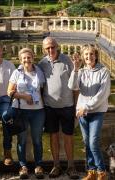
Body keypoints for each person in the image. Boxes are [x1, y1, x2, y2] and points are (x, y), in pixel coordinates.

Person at [38, 37, 79, 179]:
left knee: (69, 137)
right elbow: (39, 87)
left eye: (52, 47)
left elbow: (75, 86)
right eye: (47, 48)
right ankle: (56, 166)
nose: (50, 50)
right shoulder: (42, 64)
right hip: (50, 107)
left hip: (67, 106)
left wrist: (76, 105)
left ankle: (71, 166)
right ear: (44, 49)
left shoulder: (67, 61)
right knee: (53, 136)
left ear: (57, 47)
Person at [68, 44, 110, 180]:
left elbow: (103, 94)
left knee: (93, 142)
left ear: (96, 55)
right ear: (82, 56)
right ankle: (91, 172)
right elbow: (72, 86)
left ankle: (101, 171)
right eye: (86, 54)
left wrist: (86, 106)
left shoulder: (103, 71)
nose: (89, 57)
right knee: (87, 143)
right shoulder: (81, 71)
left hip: (96, 111)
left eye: (91, 54)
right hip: (82, 112)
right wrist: (75, 69)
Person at [7, 48, 45, 179]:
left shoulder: (39, 72)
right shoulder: (16, 72)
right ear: (20, 59)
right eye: (24, 58)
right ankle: (23, 166)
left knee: (37, 140)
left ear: (33, 57)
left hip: (38, 111)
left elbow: (44, 90)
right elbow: (10, 92)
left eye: (29, 57)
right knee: (21, 140)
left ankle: (38, 165)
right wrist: (24, 96)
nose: (26, 60)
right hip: (21, 111)